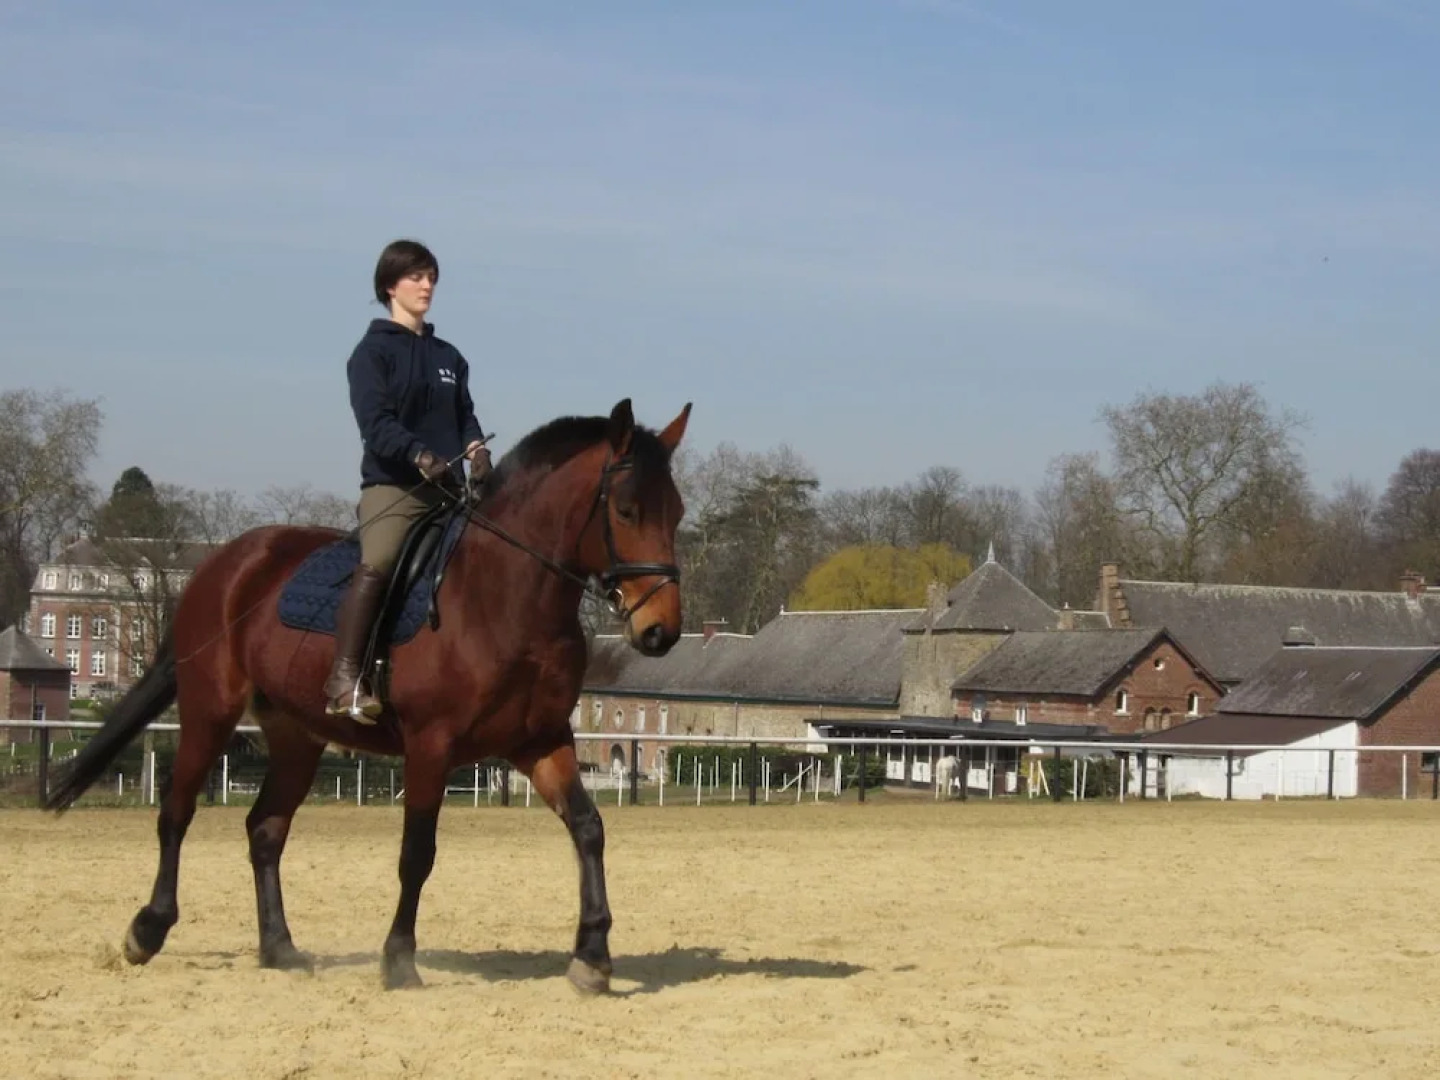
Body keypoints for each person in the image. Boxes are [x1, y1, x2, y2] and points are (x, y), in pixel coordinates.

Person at [323, 239, 493, 722]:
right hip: (395, 489)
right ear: (389, 285)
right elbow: (375, 424)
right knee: (378, 561)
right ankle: (345, 678)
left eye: (432, 277)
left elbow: (465, 417)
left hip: (451, 493)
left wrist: (477, 449)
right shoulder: (371, 353)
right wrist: (417, 454)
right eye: (417, 277)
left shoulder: (449, 357)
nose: (427, 286)